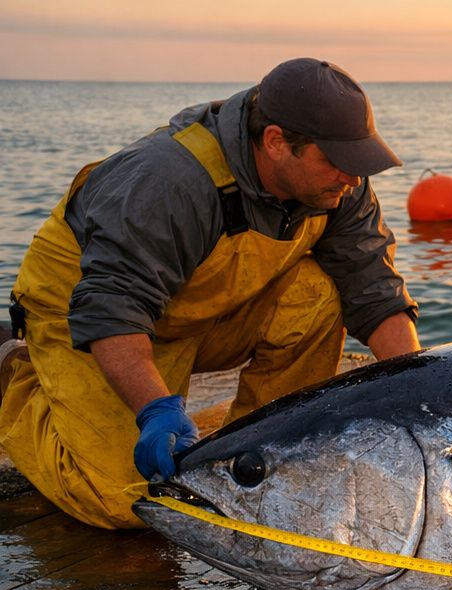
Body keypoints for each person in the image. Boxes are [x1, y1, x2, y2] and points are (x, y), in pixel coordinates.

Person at [0, 57, 419, 530]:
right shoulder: (169, 180)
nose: (351, 177)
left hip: (197, 311)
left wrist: (419, 400)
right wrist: (156, 410)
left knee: (318, 293)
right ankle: (15, 373)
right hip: (93, 318)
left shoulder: (341, 188)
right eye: (337, 161)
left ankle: (265, 449)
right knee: (130, 502)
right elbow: (112, 307)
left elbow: (374, 289)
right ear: (277, 142)